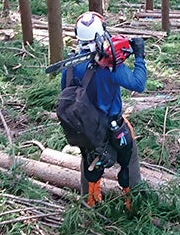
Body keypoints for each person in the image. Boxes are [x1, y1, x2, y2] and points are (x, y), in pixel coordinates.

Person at [62, 11, 146, 210]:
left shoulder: (70, 66)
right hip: (111, 124)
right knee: (129, 160)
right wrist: (139, 57)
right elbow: (138, 83)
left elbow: (65, 93)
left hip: (83, 128)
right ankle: (134, 204)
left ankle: (89, 203)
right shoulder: (110, 65)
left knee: (89, 161)